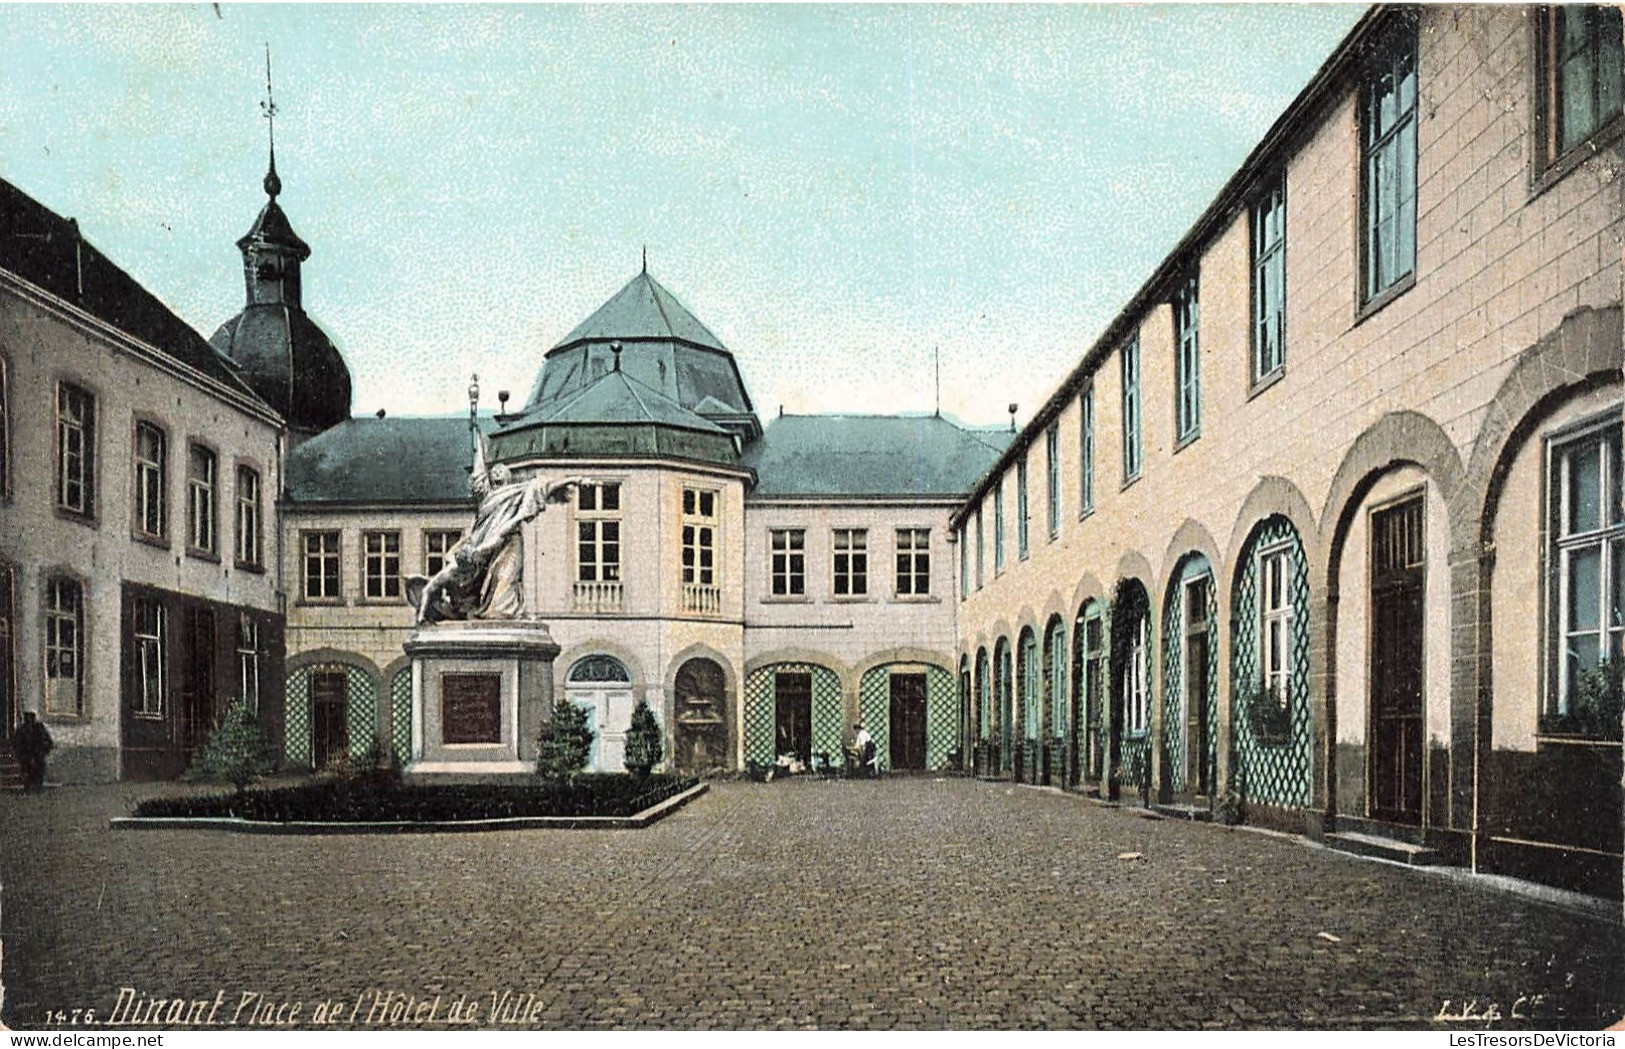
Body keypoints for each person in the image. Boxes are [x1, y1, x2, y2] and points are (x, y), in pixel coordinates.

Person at [14, 711, 53, 792]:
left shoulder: (39, 728)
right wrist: (21, 755)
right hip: (26, 757)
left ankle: (38, 788)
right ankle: (28, 788)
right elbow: (16, 744)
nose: (29, 719)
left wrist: (44, 751)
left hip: (38, 756)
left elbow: (49, 741)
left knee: (39, 773)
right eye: (27, 717)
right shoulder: (21, 730)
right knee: (27, 773)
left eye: (31, 717)